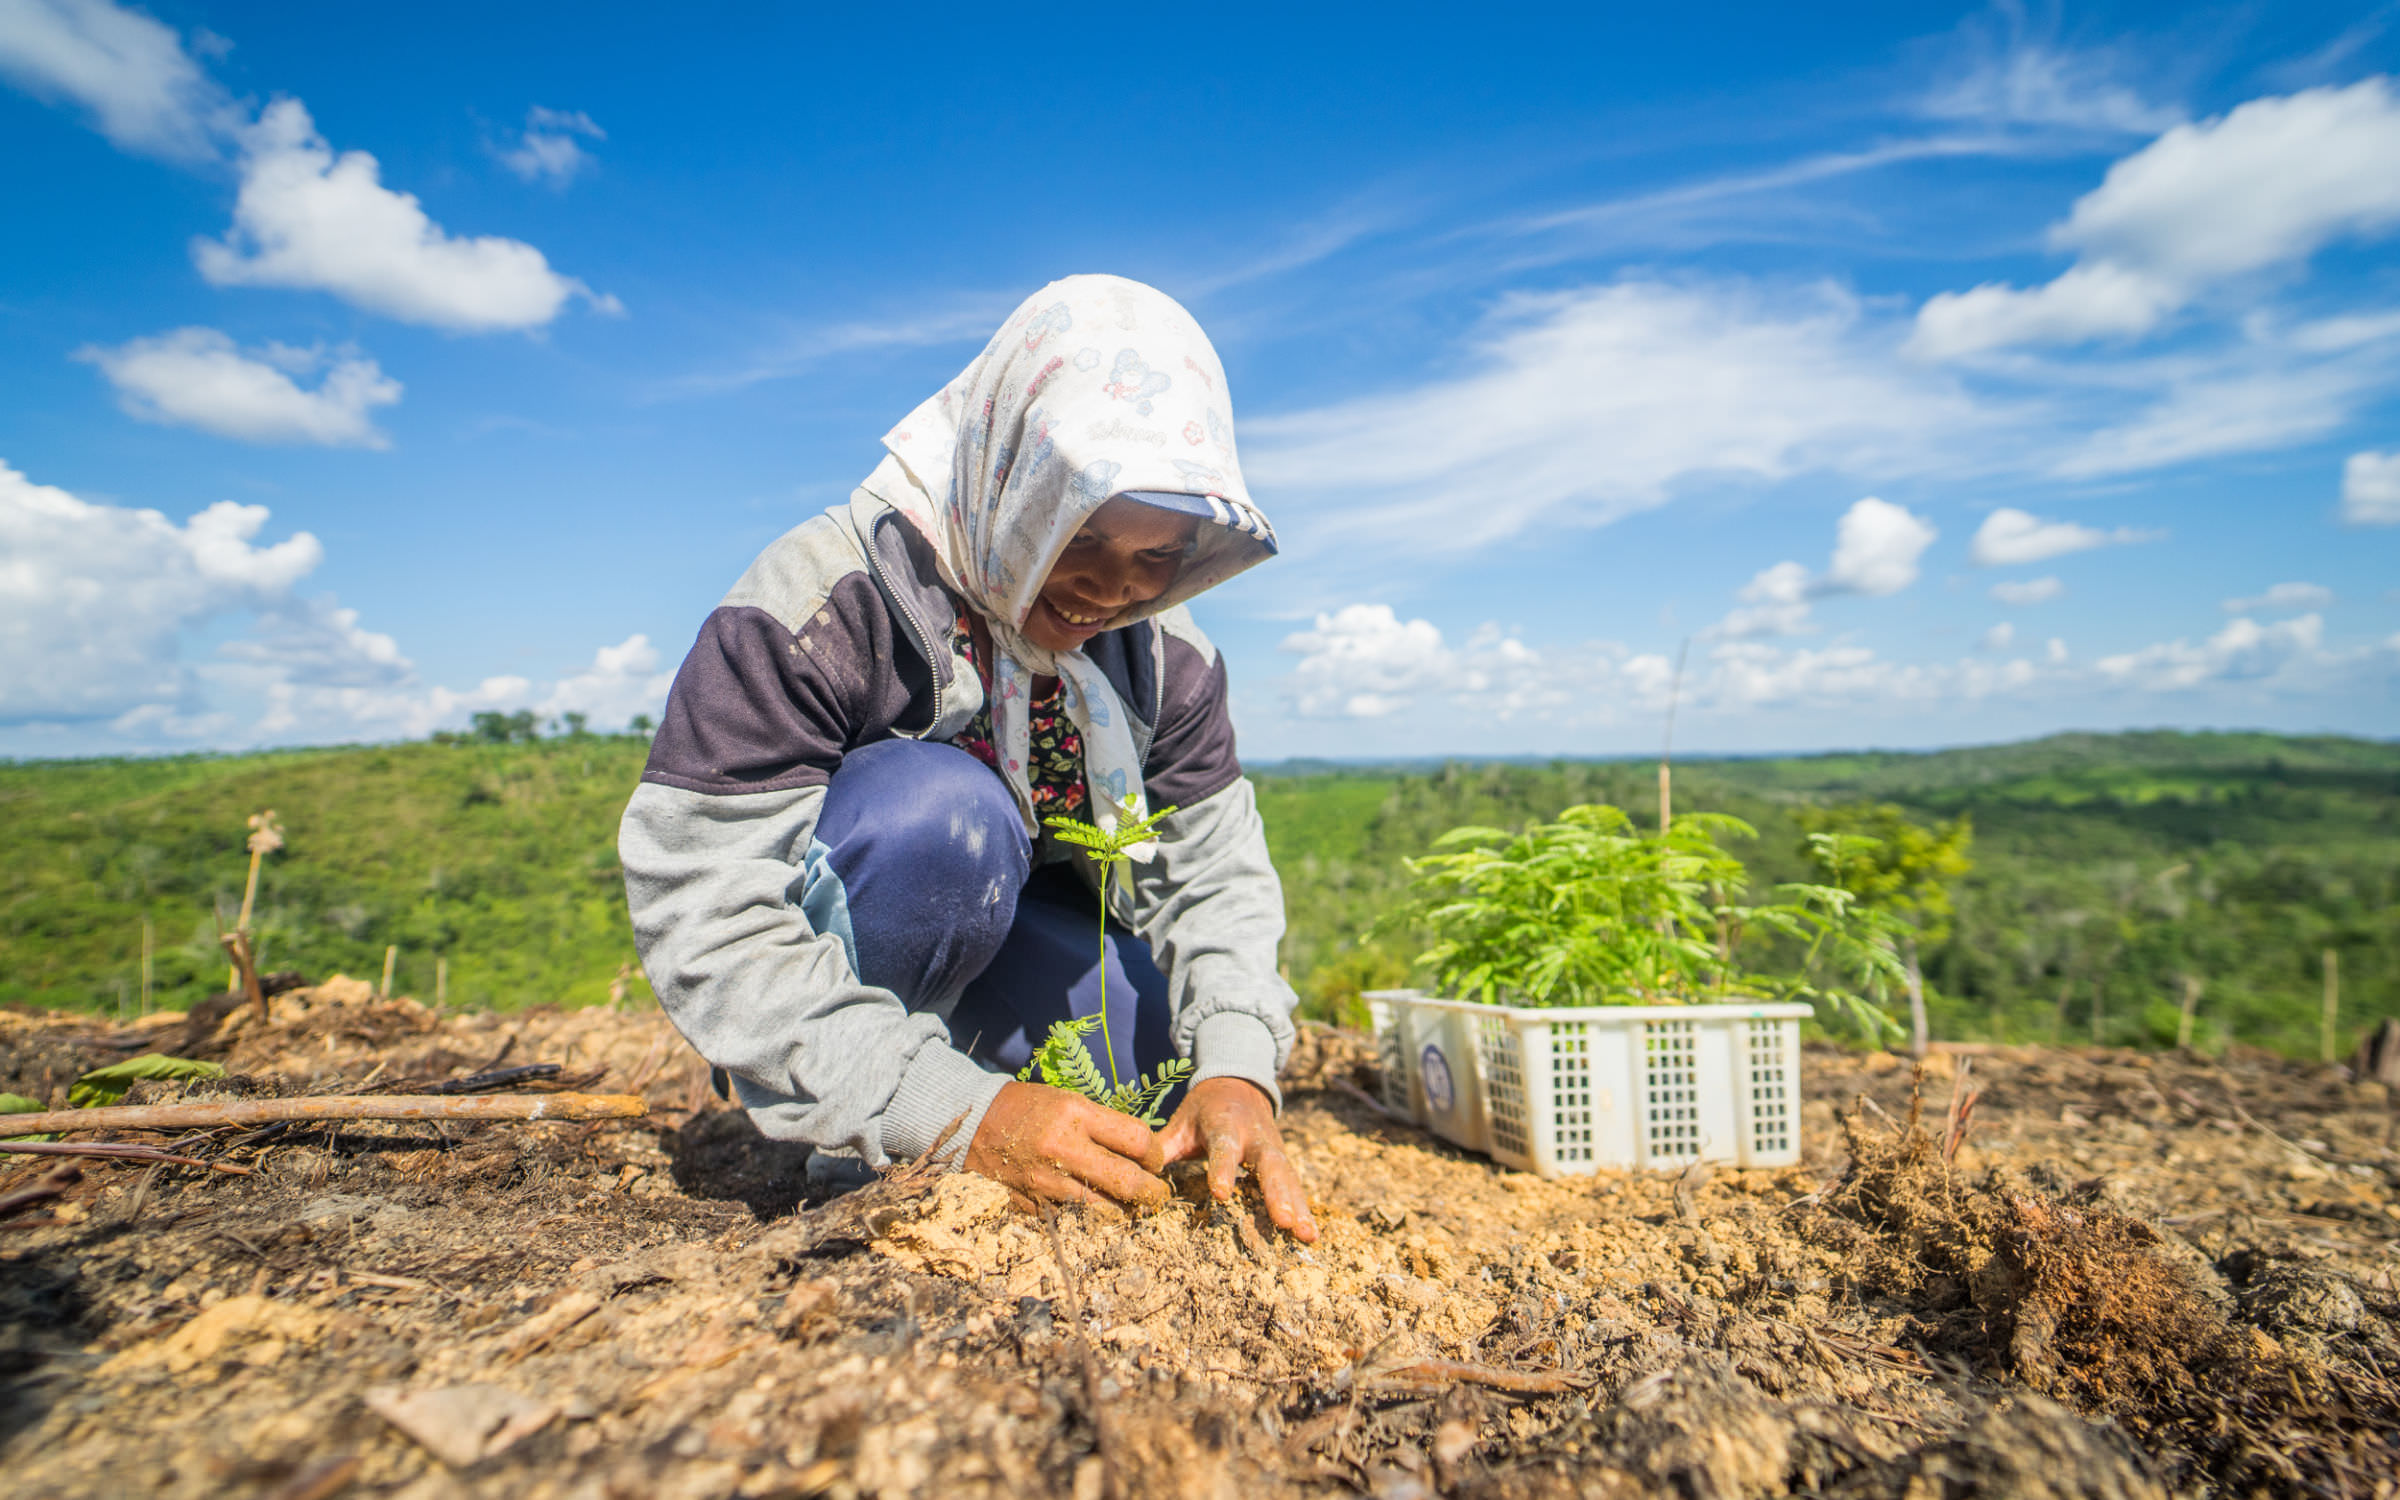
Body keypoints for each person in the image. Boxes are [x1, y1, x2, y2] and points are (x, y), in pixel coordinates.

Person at [621, 274, 1316, 1241]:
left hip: (1012, 930)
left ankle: (979, 1093)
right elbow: (704, 900)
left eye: (1158, 555)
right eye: (1086, 533)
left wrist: (1238, 1067)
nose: (1110, 590)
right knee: (944, 820)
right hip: (875, 937)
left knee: (1147, 1071)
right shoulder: (825, 599)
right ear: (1015, 481)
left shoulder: (1166, 655)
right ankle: (843, 1138)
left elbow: (1214, 877)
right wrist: (950, 1111)